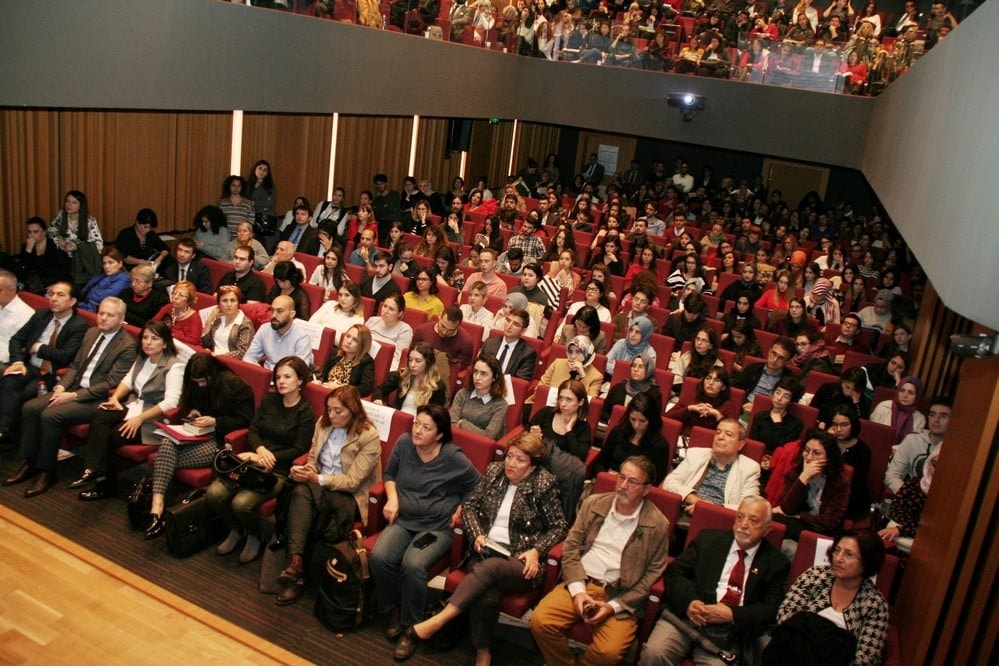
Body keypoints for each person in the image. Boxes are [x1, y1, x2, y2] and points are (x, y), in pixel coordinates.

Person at [529, 455, 670, 666]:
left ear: (647, 489)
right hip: (580, 581)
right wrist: (578, 592)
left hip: (620, 595)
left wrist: (613, 606)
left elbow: (652, 575)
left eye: (632, 482)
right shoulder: (594, 503)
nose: (622, 485)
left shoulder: (658, 524)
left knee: (609, 653)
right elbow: (571, 546)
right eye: (621, 477)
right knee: (540, 622)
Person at [372, 405, 481, 653]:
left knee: (413, 564)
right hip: (404, 518)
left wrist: (462, 508)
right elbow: (390, 474)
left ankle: (412, 626)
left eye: (426, 427)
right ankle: (393, 609)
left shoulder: (453, 457)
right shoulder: (403, 443)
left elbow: (478, 486)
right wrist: (393, 497)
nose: (417, 431)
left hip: (437, 527)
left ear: (440, 434)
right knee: (379, 557)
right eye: (416, 424)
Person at [4, 297, 135, 495]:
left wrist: (73, 395)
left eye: (110, 315)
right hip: (71, 388)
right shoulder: (91, 333)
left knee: (50, 415)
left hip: (95, 399)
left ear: (121, 318)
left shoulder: (127, 345)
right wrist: (61, 387)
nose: (103, 318)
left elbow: (109, 384)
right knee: (31, 408)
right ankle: (30, 462)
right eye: (101, 313)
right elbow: (75, 366)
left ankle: (47, 471)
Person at [639, 496, 791, 666]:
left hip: (727, 633)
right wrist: (690, 602)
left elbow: (770, 609)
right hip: (685, 619)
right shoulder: (708, 540)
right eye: (740, 517)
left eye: (753, 520)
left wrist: (733, 615)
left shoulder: (776, 563)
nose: (743, 525)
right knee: (654, 653)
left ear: (767, 529)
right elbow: (675, 572)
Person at [277, 385, 382, 605]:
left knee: (302, 495)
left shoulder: (368, 436)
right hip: (318, 489)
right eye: (329, 409)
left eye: (338, 411)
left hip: (348, 497)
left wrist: (317, 479)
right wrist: (307, 471)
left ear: (353, 411)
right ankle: (297, 565)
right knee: (301, 492)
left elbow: (353, 482)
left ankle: (296, 567)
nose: (331, 415)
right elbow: (313, 459)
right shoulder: (323, 424)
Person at [206, 356, 316, 564]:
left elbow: (300, 449)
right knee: (214, 493)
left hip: (278, 471)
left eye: (287, 377)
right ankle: (236, 530)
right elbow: (253, 430)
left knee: (241, 503)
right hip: (252, 461)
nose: (281, 381)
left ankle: (255, 535)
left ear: (300, 380)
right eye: (278, 377)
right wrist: (260, 450)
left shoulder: (305, 412)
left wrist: (269, 456)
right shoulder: (269, 399)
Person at [134, 353, 254, 539]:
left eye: (203, 381)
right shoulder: (194, 384)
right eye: (196, 381)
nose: (200, 386)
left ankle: (156, 511)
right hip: (194, 436)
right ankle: (157, 508)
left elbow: (245, 421)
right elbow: (187, 406)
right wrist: (192, 412)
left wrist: (215, 421)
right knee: (167, 442)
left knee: (162, 459)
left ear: (213, 376)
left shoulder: (236, 387)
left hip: (218, 443)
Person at [73, 320, 185, 503]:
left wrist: (139, 419)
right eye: (145, 338)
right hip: (134, 407)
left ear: (165, 343)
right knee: (99, 415)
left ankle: (105, 484)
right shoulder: (142, 357)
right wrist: (115, 398)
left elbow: (171, 403)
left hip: (153, 420)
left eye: (154, 338)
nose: (147, 342)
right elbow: (127, 381)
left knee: (110, 435)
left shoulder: (174, 366)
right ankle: (93, 470)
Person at [773, 530, 889, 665]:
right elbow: (785, 616)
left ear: (867, 562)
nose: (838, 558)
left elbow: (865, 659)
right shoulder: (815, 575)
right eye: (837, 550)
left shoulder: (875, 604)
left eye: (849, 554)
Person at [0, 280, 88, 441]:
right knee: (9, 380)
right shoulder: (42, 315)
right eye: (51, 294)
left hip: (51, 375)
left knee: (22, 394)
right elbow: (16, 340)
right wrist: (18, 362)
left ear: (72, 301)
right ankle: (4, 430)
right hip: (29, 366)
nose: (53, 298)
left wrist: (38, 347)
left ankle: (12, 438)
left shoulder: (79, 325)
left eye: (60, 295)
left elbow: (65, 356)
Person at [772, 430, 850, 551]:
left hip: (822, 531)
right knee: (773, 518)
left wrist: (799, 516)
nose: (809, 457)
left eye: (816, 453)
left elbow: (830, 522)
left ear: (829, 458)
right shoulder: (794, 473)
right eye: (807, 450)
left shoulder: (840, 482)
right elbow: (787, 508)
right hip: (796, 525)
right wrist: (804, 477)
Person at [664, 418, 761, 514]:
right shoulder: (696, 454)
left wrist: (710, 509)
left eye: (728, 434)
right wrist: (696, 501)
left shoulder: (749, 468)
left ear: (741, 445)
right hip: (685, 511)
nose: (720, 437)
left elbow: (750, 506)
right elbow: (670, 482)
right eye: (718, 432)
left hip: (720, 520)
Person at [596, 391, 671, 484]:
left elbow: (656, 481)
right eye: (633, 419)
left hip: (637, 490)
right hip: (609, 480)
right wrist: (606, 476)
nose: (636, 425)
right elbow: (601, 462)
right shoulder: (618, 432)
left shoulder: (660, 445)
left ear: (652, 420)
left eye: (642, 421)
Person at [884, 397, 950, 494]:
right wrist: (908, 495)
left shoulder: (954, 451)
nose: (936, 420)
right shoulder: (912, 441)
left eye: (943, 416)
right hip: (909, 498)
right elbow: (892, 475)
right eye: (932, 415)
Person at [878, 449, 938, 555]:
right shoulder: (915, 483)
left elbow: (934, 529)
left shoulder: (950, 497)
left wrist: (903, 529)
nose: (936, 470)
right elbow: (895, 510)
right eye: (934, 465)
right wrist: (909, 526)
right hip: (901, 533)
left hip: (927, 547)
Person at [372, 341, 447, 414]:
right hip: (399, 418)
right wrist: (378, 399)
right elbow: (379, 390)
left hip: (419, 424)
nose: (412, 364)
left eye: (418, 361)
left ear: (428, 362)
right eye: (410, 360)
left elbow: (436, 415)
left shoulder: (437, 386)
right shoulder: (403, 376)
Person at [48, 190, 104, 287]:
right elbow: (51, 231)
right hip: (63, 258)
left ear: (80, 205)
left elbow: (99, 246)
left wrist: (77, 246)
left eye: (74, 203)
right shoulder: (61, 215)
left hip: (81, 262)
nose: (69, 205)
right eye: (67, 201)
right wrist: (59, 241)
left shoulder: (90, 221)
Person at [242, 295, 314, 370]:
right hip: (266, 374)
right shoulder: (264, 329)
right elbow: (249, 356)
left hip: (287, 378)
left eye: (280, 311)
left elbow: (301, 369)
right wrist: (254, 367)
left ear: (292, 314)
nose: (274, 315)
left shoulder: (302, 337)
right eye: (272, 310)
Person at [750, 376, 804, 470]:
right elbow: (753, 443)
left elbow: (784, 449)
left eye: (786, 396)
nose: (779, 398)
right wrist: (761, 457)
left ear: (791, 401)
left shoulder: (796, 424)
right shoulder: (760, 417)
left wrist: (778, 424)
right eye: (777, 392)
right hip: (756, 460)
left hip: (778, 465)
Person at [449, 355, 509, 441]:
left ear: (494, 378)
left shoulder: (501, 405)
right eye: (475, 372)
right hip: (456, 441)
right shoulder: (462, 394)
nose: (477, 377)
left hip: (481, 448)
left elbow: (488, 436)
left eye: (483, 374)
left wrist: (462, 423)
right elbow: (451, 425)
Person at [733, 336, 796, 409]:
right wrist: (745, 404)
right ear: (769, 351)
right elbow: (737, 389)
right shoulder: (753, 368)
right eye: (773, 353)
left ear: (787, 361)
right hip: (746, 407)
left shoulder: (789, 380)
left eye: (781, 358)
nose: (775, 360)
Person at [669, 367, 736, 435]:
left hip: (709, 442)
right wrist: (689, 408)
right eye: (708, 378)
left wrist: (717, 414)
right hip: (683, 438)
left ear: (723, 387)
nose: (711, 383)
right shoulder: (690, 397)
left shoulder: (727, 406)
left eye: (717, 380)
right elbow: (667, 418)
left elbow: (732, 433)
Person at [316, 323, 375, 397]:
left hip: (344, 399)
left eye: (355, 340)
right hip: (325, 393)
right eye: (348, 336)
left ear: (362, 345)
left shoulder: (366, 361)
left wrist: (341, 388)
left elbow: (365, 389)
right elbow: (324, 376)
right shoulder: (335, 354)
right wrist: (319, 381)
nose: (349, 341)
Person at [536, 335, 604, 399]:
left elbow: (589, 403)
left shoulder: (597, 377)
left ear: (587, 354)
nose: (573, 356)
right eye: (570, 352)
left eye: (578, 352)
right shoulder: (557, 363)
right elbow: (539, 388)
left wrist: (583, 376)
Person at [480, 307, 537, 381]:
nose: (509, 326)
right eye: (508, 320)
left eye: (515, 324)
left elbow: (519, 383)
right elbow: (479, 368)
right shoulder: (490, 343)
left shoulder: (527, 354)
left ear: (523, 331)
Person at [412, 306, 475, 371]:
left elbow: (460, 369)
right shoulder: (421, 331)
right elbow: (411, 355)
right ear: (439, 317)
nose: (444, 332)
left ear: (458, 325)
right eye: (443, 326)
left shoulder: (466, 342)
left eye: (450, 330)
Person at [201, 285, 254, 359]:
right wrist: (209, 320)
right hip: (213, 358)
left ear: (238, 303)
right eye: (224, 301)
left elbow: (242, 352)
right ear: (219, 304)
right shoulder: (218, 319)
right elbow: (206, 343)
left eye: (232, 300)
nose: (229, 305)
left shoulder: (245, 323)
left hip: (230, 363)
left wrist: (220, 357)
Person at [17, 217, 67, 294]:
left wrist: (56, 285)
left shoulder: (54, 245)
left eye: (35, 232)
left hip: (55, 283)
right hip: (34, 285)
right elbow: (22, 272)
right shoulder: (26, 247)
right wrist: (28, 251)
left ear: (44, 231)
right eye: (29, 232)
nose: (32, 235)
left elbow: (64, 270)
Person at [870, 376, 925, 443]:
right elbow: (872, 433)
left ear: (917, 396)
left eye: (910, 393)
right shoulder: (883, 407)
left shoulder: (920, 419)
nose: (905, 395)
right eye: (902, 391)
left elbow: (914, 444)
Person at [365, 293, 412, 371]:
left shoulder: (405, 330)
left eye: (391, 309)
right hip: (365, 360)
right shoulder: (372, 321)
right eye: (385, 306)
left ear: (400, 313)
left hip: (387, 367)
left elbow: (399, 358)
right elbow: (361, 343)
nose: (385, 311)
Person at [78, 248, 131, 312]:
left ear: (120, 264)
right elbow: (86, 289)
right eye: (104, 263)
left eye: (110, 262)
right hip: (84, 304)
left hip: (97, 310)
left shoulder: (124, 279)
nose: (106, 266)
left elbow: (101, 296)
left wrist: (89, 293)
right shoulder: (103, 275)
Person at [153, 279, 203, 347]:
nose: (175, 297)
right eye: (174, 293)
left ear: (189, 300)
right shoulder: (168, 307)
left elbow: (195, 341)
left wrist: (173, 335)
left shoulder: (194, 317)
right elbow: (153, 323)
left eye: (181, 295)